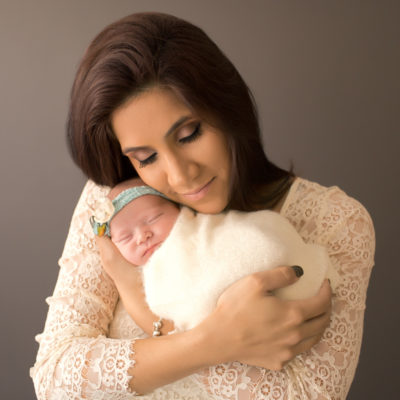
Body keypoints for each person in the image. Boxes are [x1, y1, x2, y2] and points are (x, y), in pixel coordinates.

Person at [30, 12, 375, 400]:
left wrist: (163, 333)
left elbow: (308, 395)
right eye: (146, 158)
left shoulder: (333, 221)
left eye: (189, 133)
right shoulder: (115, 206)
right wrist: (215, 341)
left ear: (226, 106)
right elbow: (54, 379)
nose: (180, 176)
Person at [95, 177, 335, 333]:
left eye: (153, 219)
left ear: (178, 209)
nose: (142, 236)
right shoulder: (129, 266)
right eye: (126, 238)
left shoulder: (197, 229)